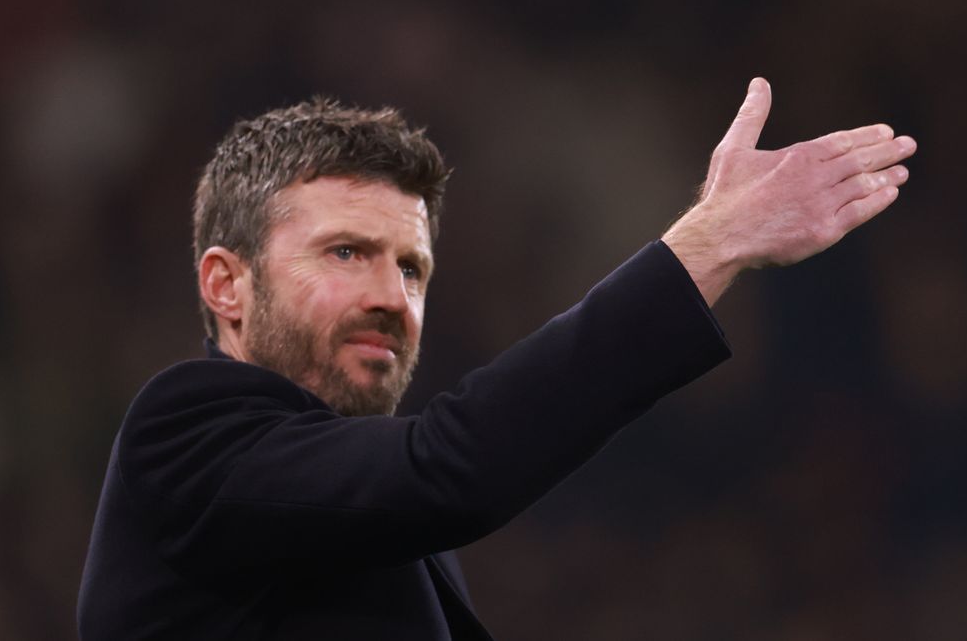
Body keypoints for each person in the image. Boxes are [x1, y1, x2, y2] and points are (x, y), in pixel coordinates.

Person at [78, 78, 916, 640]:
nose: (392, 296)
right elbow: (452, 466)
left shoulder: (379, 513)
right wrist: (711, 244)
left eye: (411, 268)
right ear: (226, 285)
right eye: (345, 252)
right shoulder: (182, 435)